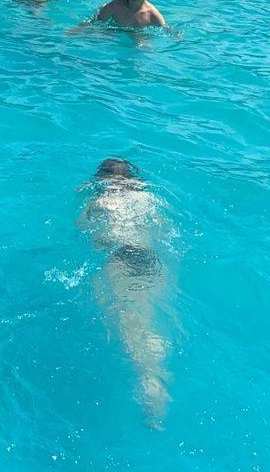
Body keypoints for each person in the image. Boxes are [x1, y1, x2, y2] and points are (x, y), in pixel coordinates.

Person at [78, 158, 171, 425]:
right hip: (152, 260)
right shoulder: (148, 198)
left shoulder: (100, 202)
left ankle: (149, 380)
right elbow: (164, 232)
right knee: (149, 313)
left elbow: (90, 236)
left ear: (102, 179)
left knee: (126, 321)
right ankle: (156, 369)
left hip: (123, 258)